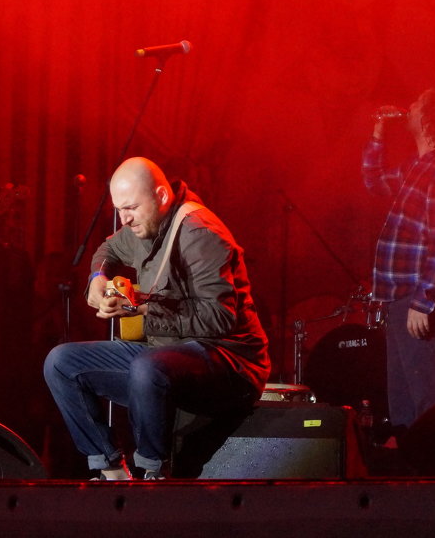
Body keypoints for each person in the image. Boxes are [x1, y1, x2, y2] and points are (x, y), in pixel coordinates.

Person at [43, 157, 269, 480]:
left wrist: (141, 310)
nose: (125, 219)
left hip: (228, 364)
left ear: (161, 197)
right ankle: (110, 470)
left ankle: (153, 474)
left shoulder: (199, 233)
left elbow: (220, 317)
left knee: (147, 367)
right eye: (119, 210)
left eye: (131, 208)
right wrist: (97, 278)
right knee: (60, 362)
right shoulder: (142, 224)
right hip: (162, 360)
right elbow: (108, 250)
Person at [362, 88, 435, 438]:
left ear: (427, 118)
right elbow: (374, 182)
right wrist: (378, 130)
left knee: (431, 409)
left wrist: (425, 299)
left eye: (417, 104)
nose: (408, 107)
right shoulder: (417, 167)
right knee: (405, 411)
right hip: (401, 299)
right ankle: (413, 481)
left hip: (422, 302)